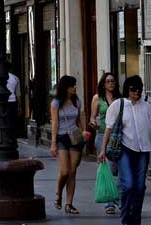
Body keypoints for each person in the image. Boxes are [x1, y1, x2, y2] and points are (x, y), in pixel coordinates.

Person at [99, 75, 151, 225]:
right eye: (133, 89)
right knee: (128, 185)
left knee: (139, 187)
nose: (137, 92)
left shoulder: (146, 105)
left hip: (144, 151)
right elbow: (108, 129)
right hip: (124, 150)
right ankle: (125, 220)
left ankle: (135, 220)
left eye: (139, 89)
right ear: (127, 89)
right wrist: (102, 150)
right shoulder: (118, 104)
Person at [50, 75, 85, 215]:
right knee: (64, 171)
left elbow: (79, 119)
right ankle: (58, 193)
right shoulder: (56, 103)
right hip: (61, 137)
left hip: (75, 137)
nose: (75, 88)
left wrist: (83, 133)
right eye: (72, 86)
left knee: (72, 171)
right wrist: (53, 143)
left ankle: (69, 204)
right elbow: (55, 123)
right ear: (66, 88)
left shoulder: (77, 101)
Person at [89, 72, 121, 215]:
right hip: (102, 136)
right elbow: (92, 117)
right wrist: (94, 123)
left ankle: (116, 196)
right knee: (108, 167)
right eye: (108, 81)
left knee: (117, 169)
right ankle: (110, 203)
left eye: (113, 81)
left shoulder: (120, 99)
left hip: (117, 138)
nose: (110, 84)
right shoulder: (97, 98)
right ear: (103, 84)